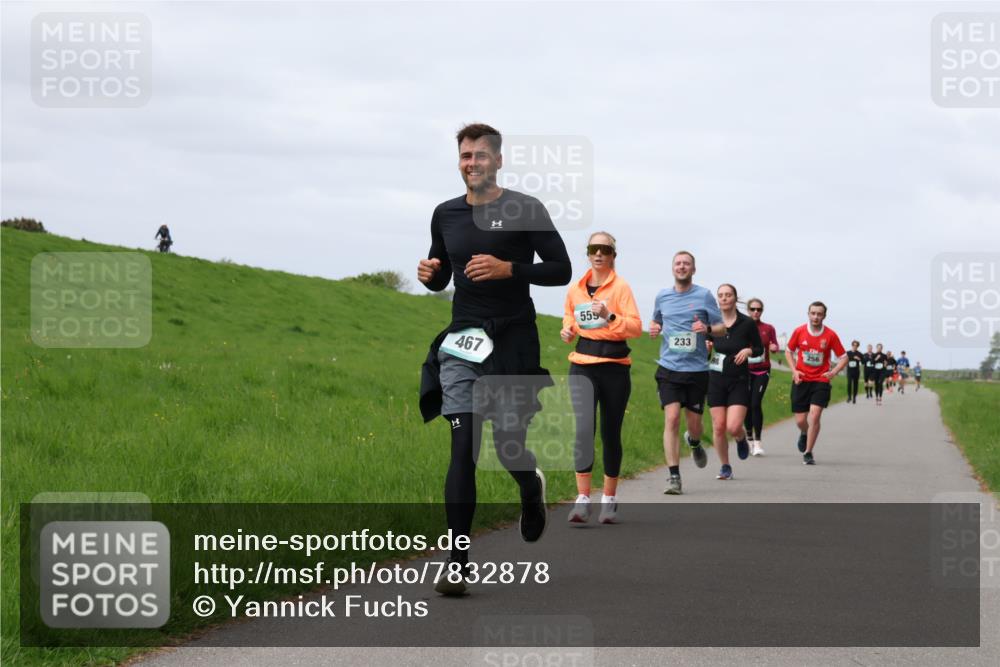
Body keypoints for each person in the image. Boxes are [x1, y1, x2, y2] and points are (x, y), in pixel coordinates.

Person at [417, 123, 571, 595]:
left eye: (481, 156)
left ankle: (530, 487)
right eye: (465, 156)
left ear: (498, 161)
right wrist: (430, 275)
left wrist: (511, 268)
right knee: (462, 446)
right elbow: (441, 272)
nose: (472, 163)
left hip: (513, 341)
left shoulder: (525, 208)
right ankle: (457, 563)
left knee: (507, 444)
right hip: (463, 340)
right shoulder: (444, 214)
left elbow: (561, 269)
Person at [561, 232, 642, 523]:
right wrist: (567, 330)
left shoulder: (621, 288)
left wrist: (610, 316)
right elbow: (570, 320)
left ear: (612, 255)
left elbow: (635, 327)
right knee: (583, 430)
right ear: (588, 253)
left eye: (605, 250)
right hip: (582, 365)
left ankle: (609, 499)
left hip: (614, 367)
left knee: (610, 432)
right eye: (594, 249)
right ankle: (582, 499)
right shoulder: (575, 290)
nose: (599, 254)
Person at [649, 251, 726, 494]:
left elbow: (722, 328)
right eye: (678, 263)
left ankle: (693, 442)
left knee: (695, 425)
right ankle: (674, 477)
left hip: (696, 371)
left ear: (693, 270)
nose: (682, 267)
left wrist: (707, 329)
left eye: (687, 264)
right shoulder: (662, 296)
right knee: (671, 418)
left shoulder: (703, 295)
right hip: (669, 368)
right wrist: (655, 327)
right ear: (673, 268)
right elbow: (657, 322)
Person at [706, 284, 762, 480]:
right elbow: (704, 349)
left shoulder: (746, 323)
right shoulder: (712, 322)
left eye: (728, 295)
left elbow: (759, 348)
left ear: (735, 298)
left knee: (733, 426)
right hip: (715, 379)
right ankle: (725, 466)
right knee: (719, 426)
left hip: (738, 380)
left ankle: (740, 438)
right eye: (720, 295)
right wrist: (706, 347)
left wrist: (748, 351)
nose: (724, 298)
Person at [784, 301, 848, 465]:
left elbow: (844, 357)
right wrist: (794, 370)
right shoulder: (799, 331)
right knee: (800, 421)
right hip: (801, 379)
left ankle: (808, 452)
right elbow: (789, 351)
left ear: (824, 316)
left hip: (821, 380)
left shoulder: (830, 335)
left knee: (815, 415)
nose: (816, 317)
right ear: (808, 314)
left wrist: (833, 372)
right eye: (813, 313)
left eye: (819, 314)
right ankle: (804, 433)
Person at [744, 298, 779, 456]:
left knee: (755, 403)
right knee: (746, 405)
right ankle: (749, 439)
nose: (755, 312)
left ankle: (758, 442)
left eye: (759, 309)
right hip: (744, 371)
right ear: (748, 310)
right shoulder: (742, 326)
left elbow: (775, 345)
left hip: (762, 371)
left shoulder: (768, 328)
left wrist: (773, 347)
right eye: (752, 309)